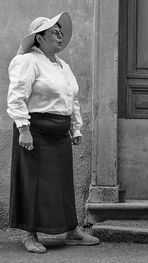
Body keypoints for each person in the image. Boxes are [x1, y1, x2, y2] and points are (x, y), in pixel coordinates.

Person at [7, 12, 99, 254]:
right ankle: (30, 234)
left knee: (63, 183)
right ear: (39, 38)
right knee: (33, 184)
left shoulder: (62, 65)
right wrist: (24, 129)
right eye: (54, 33)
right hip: (34, 131)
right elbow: (17, 97)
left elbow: (72, 98)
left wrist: (75, 126)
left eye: (60, 32)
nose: (60, 36)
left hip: (59, 134)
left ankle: (72, 229)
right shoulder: (27, 61)